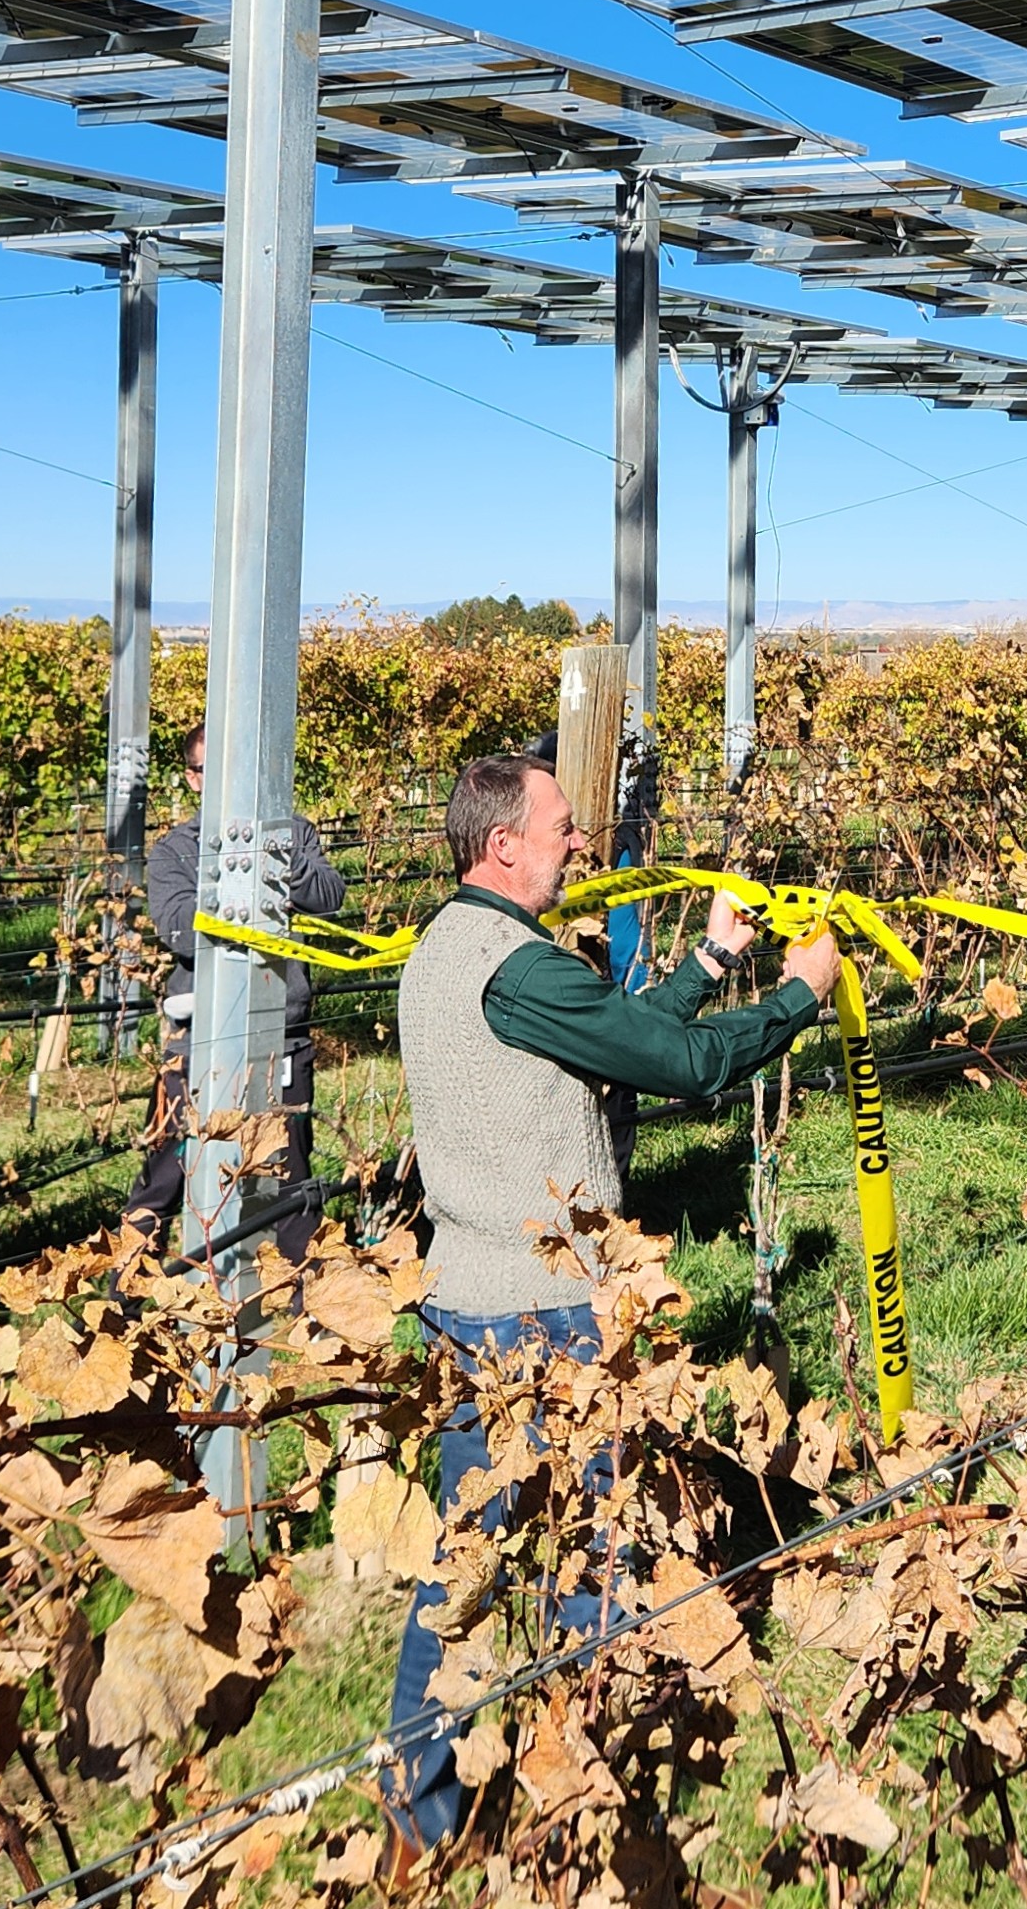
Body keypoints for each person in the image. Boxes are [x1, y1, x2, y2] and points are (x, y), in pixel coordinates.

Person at [383, 752, 840, 1857]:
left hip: (468, 1300)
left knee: (466, 1562)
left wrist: (711, 956)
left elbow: (607, 1041)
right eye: (564, 827)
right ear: (503, 845)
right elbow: (679, 1064)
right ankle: (597, 1800)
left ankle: (420, 1805)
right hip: (540, 1314)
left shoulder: (456, 948)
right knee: (598, 1549)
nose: (580, 844)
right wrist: (796, 996)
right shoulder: (517, 967)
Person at [123, 721, 347, 1255]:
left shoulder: (294, 833)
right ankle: (125, 1298)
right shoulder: (173, 851)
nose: (227, 782)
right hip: (198, 1042)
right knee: (166, 1175)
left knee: (290, 1177)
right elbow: (178, 927)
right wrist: (239, 883)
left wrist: (277, 862)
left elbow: (330, 894)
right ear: (193, 779)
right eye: (211, 771)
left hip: (283, 1037)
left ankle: (302, 1306)